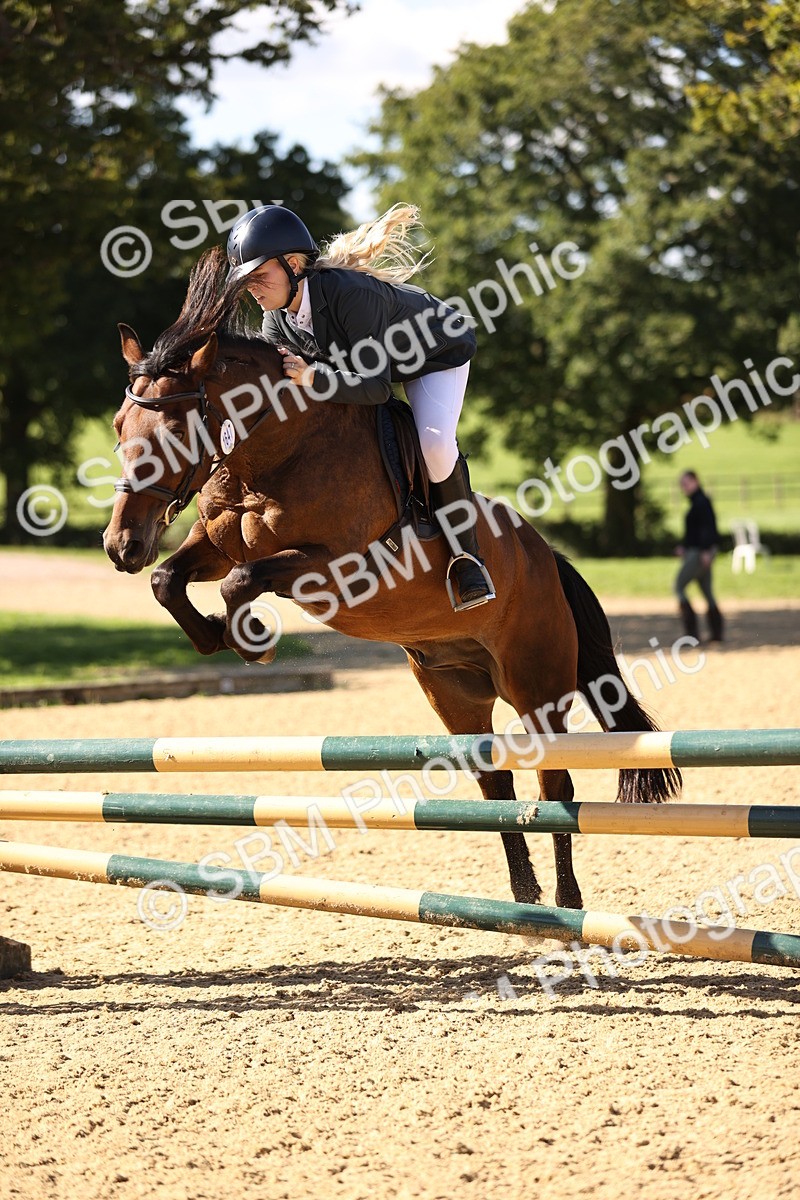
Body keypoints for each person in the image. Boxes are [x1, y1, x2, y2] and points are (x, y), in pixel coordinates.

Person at [225, 203, 495, 611]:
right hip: (370, 367)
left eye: (261, 276)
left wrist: (313, 377)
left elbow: (375, 391)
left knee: (435, 445)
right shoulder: (274, 321)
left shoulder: (350, 295)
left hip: (436, 355)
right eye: (247, 282)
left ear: (294, 264)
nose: (254, 289)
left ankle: (467, 557)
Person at [674, 470, 723, 642]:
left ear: (695, 481)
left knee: (679, 587)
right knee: (707, 592)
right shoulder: (698, 502)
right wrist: (684, 546)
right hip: (698, 551)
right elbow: (695, 531)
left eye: (686, 483)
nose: (684, 488)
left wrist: (705, 551)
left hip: (700, 553)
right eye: (682, 485)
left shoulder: (701, 502)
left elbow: (708, 528)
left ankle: (692, 633)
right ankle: (716, 633)